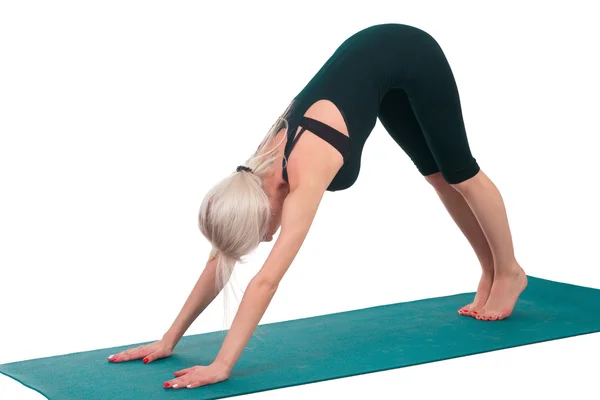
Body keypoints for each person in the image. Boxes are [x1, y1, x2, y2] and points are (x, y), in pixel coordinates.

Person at [107, 23, 527, 389]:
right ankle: (488, 269)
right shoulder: (251, 178)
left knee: (460, 173)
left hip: (409, 53)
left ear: (268, 209)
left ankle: (509, 271)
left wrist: (222, 364)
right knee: (437, 177)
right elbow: (219, 261)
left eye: (262, 233)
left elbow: (267, 281)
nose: (267, 239)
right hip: (378, 68)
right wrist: (169, 339)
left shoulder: (305, 173)